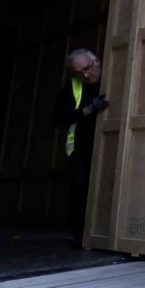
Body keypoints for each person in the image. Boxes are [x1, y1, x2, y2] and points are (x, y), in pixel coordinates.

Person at [53, 48, 108, 247]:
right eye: (79, 72)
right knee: (80, 189)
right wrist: (88, 110)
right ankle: (81, 236)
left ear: (97, 62)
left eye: (88, 68)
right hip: (81, 149)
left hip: (109, 145)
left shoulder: (113, 76)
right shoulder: (72, 86)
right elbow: (58, 119)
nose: (85, 75)